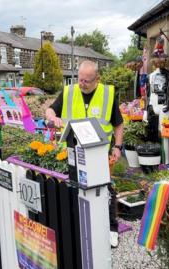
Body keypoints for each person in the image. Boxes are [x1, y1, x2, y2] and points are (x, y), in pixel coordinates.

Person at [45, 60, 124, 248]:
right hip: (73, 153)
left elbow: (118, 123)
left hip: (99, 153)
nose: (82, 84)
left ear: (97, 79)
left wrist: (118, 146)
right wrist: (52, 117)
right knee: (74, 189)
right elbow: (50, 109)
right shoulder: (69, 92)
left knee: (106, 191)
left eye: (87, 81)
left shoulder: (107, 94)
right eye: (80, 79)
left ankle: (112, 229)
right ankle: (78, 227)